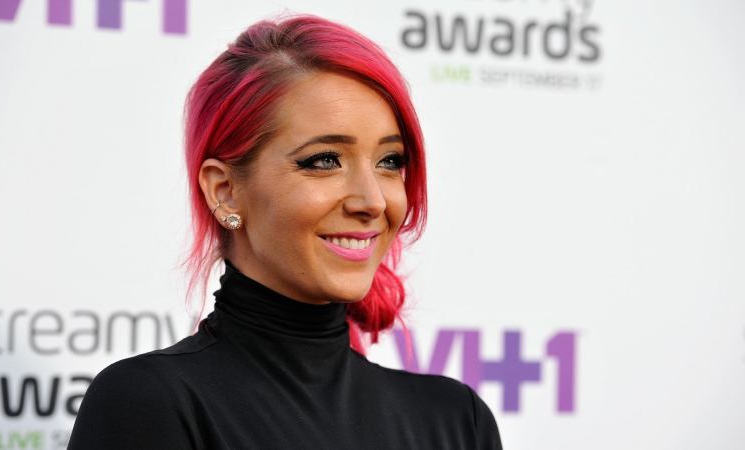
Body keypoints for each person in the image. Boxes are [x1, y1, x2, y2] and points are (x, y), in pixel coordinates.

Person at [67, 14, 502, 450]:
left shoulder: (456, 421)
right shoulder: (150, 402)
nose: (372, 201)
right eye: (324, 160)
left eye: (390, 161)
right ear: (225, 192)